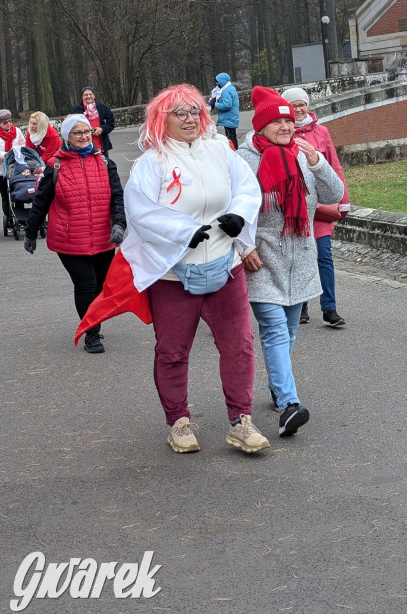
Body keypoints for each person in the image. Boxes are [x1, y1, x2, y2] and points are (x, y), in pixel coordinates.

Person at [95, 83, 269, 455]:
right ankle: (178, 421)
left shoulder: (222, 151)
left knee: (239, 346)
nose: (190, 119)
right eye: (180, 113)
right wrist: (183, 232)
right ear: (163, 118)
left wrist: (239, 214)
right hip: (174, 274)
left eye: (194, 111)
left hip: (226, 268)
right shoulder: (151, 163)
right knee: (172, 350)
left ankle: (241, 420)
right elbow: (141, 211)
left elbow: (247, 188)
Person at [237, 86, 344, 438]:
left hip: (301, 259)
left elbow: (332, 195)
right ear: (262, 126)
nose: (286, 125)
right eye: (278, 120)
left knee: (290, 332)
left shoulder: (301, 154)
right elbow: (230, 210)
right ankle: (288, 405)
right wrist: (243, 247)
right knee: (275, 330)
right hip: (263, 262)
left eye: (289, 119)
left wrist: (318, 162)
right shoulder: (244, 160)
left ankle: (277, 384)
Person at [23, 114, 126, 354]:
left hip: (103, 237)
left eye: (87, 131)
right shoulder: (55, 166)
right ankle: (91, 333)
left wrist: (119, 223)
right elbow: (41, 201)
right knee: (86, 285)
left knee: (101, 286)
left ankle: (93, 321)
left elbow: (117, 198)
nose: (83, 136)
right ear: (67, 136)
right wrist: (30, 233)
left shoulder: (105, 163)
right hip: (69, 239)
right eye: (77, 133)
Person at [282, 87, 350, 327]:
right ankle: (301, 306)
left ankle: (329, 309)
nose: (299, 109)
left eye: (302, 104)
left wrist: (343, 200)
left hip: (320, 207)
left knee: (323, 256)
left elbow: (334, 165)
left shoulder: (321, 132)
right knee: (299, 257)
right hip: (296, 209)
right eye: (294, 105)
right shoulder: (282, 133)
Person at [0, 108, 25, 229]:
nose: (8, 124)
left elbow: (23, 144)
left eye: (10, 121)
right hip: (2, 169)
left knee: (18, 194)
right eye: (5, 122)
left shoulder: (18, 132)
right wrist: (4, 155)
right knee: (5, 195)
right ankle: (8, 219)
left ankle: (21, 218)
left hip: (16, 167)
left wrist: (17, 152)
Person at [72, 86, 116, 156]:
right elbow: (72, 127)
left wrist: (102, 129)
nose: (88, 96)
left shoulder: (102, 107)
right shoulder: (76, 110)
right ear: (82, 97)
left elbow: (111, 123)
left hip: (101, 144)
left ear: (94, 96)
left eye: (90, 94)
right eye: (86, 95)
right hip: (83, 145)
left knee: (103, 165)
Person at [209, 72, 240, 150]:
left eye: (218, 82)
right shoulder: (230, 89)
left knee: (230, 137)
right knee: (232, 136)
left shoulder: (226, 91)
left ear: (222, 82)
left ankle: (234, 152)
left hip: (229, 118)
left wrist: (216, 104)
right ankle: (235, 150)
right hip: (231, 118)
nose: (217, 84)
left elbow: (227, 105)